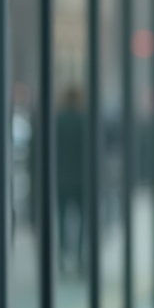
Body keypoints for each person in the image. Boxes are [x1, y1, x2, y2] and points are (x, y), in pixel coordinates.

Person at [56, 87, 88, 275]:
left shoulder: (57, 121)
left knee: (62, 219)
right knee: (82, 220)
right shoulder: (85, 121)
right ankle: (79, 256)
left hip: (61, 179)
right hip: (81, 180)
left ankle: (61, 254)